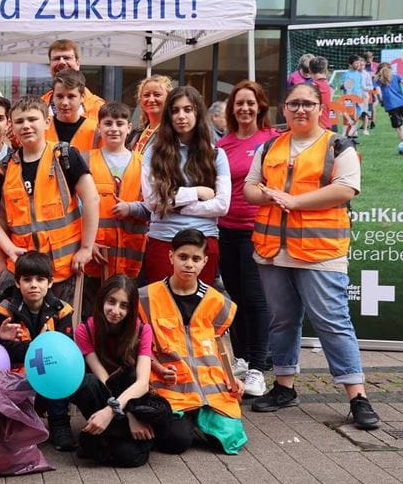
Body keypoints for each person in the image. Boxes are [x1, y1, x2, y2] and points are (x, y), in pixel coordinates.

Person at [245, 82, 380, 430]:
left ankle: (357, 396)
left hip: (320, 252)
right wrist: (267, 196)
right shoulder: (270, 145)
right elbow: (250, 187)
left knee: (332, 322)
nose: (300, 110)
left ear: (321, 108)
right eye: (293, 104)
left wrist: (294, 201)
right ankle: (284, 387)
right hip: (274, 251)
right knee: (282, 320)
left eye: (307, 104)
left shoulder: (338, 145)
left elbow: (345, 188)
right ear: (284, 109)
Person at [0, 96, 99, 304]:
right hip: (24, 273)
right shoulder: (5, 168)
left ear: (46, 122)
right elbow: (1, 219)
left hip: (64, 269)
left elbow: (91, 200)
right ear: (11, 127)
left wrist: (87, 248)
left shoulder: (65, 156)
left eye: (32, 119)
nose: (26, 126)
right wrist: (1, 261)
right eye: (19, 121)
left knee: (61, 332)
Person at [139, 229, 247, 455]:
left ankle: (200, 416)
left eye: (196, 259)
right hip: (171, 390)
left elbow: (221, 345)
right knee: (175, 443)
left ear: (205, 262)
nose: (189, 264)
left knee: (231, 441)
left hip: (212, 392)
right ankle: (189, 420)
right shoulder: (146, 298)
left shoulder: (218, 302)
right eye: (183, 257)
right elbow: (139, 346)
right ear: (171, 257)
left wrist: (232, 378)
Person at [217, 81, 280, 397]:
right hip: (226, 230)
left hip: (258, 231)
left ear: (260, 107)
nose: (244, 109)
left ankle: (258, 367)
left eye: (250, 103)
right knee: (236, 297)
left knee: (256, 299)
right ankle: (241, 358)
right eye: (239, 104)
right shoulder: (223, 144)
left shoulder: (272, 140)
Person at [141, 86, 230, 285]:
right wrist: (196, 192)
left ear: (198, 112)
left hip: (203, 242)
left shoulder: (216, 155)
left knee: (199, 311)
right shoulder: (153, 154)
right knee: (161, 311)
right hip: (164, 241)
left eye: (188, 109)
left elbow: (222, 205)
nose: (181, 116)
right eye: (175, 110)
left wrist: (176, 205)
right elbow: (153, 202)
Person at [71, 276, 163, 467]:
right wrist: (117, 412)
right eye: (111, 302)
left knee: (130, 457)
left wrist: (129, 414)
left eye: (124, 305)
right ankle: (109, 435)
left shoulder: (142, 330)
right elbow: (104, 380)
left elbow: (142, 383)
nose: (115, 311)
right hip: (106, 394)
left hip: (133, 396)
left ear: (131, 309)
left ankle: (104, 438)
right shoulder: (85, 330)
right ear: (102, 300)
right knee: (87, 383)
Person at [0, 251, 76, 450]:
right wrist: (40, 346)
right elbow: (5, 351)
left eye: (40, 279)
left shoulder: (63, 310)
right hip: (18, 371)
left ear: (50, 282)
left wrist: (40, 350)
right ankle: (21, 424)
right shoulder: (5, 310)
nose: (34, 285)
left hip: (51, 369)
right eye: (27, 279)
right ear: (18, 283)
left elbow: (65, 350)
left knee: (60, 371)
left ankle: (59, 424)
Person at [82, 102, 148, 317]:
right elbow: (74, 207)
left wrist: (133, 209)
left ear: (129, 128)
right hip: (96, 255)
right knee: (92, 311)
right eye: (108, 123)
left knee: (125, 313)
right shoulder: (84, 160)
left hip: (131, 254)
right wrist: (87, 242)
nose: (114, 129)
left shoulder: (142, 163)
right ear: (99, 128)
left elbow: (154, 205)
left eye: (120, 124)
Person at [40, 38, 105, 117]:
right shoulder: (38, 106)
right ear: (50, 65)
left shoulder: (99, 108)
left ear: (77, 63)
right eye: (56, 59)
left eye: (67, 58)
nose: (61, 62)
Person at [45, 69, 100, 153]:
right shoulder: (42, 127)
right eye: (59, 96)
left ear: (82, 98)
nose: (65, 103)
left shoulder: (95, 130)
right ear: (53, 97)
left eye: (71, 97)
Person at [128, 75, 172, 155]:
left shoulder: (171, 134)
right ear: (140, 99)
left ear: (169, 98)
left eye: (157, 95)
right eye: (146, 95)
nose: (151, 100)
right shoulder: (136, 133)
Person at [308, 56, 335, 131]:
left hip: (317, 127)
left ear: (310, 70)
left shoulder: (312, 87)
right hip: (325, 124)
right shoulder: (328, 86)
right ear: (325, 70)